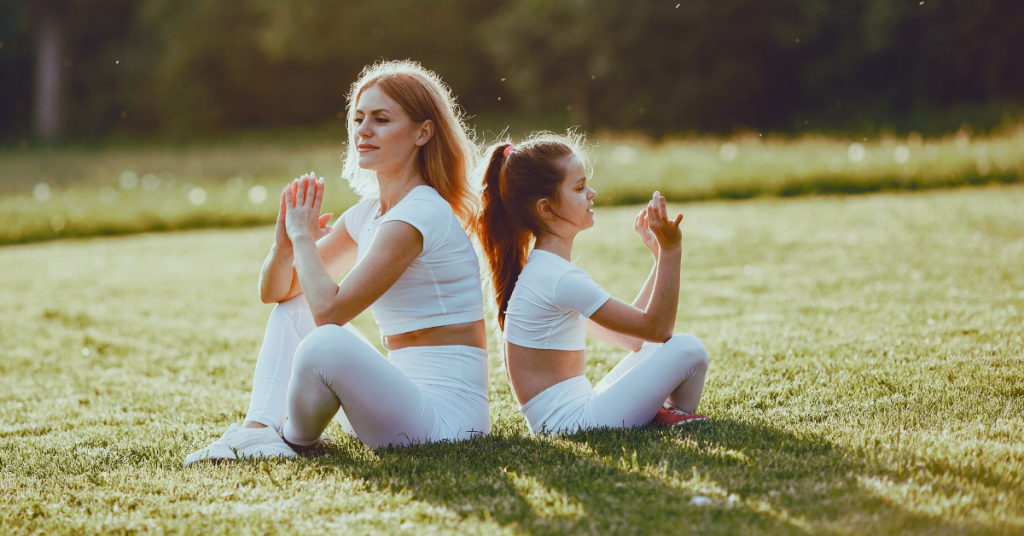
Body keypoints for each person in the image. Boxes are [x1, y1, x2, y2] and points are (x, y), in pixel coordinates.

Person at [184, 60, 489, 465]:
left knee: (327, 339)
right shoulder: (369, 214)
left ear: (423, 132)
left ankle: (291, 441)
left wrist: (303, 238)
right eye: (359, 118)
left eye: (381, 119)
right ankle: (258, 429)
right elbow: (277, 292)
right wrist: (285, 247)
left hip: (447, 424)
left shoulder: (420, 213)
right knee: (294, 309)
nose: (363, 130)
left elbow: (329, 312)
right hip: (397, 399)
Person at [474, 133, 709, 435]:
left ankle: (664, 414)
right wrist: (672, 251)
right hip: (574, 425)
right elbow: (658, 329)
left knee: (664, 349)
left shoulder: (547, 270)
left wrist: (659, 258)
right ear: (546, 208)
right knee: (689, 349)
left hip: (578, 413)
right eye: (580, 187)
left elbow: (635, 340)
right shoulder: (558, 278)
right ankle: (672, 415)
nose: (592, 193)